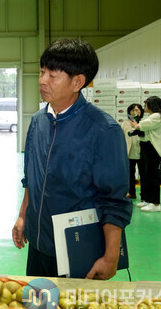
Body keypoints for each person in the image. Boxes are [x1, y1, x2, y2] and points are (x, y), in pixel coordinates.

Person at [12, 38, 132, 280]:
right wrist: (23, 216)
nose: (41, 80)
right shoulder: (38, 122)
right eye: (42, 72)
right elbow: (32, 179)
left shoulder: (103, 130)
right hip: (38, 245)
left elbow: (114, 201)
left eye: (52, 75)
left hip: (78, 250)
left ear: (78, 82)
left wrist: (110, 257)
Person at [130, 96, 161, 213]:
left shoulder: (157, 116)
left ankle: (156, 203)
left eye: (146, 105)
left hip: (152, 149)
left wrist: (136, 125)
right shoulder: (155, 116)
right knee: (146, 175)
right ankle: (148, 200)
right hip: (147, 148)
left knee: (152, 176)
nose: (144, 107)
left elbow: (143, 125)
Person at [121, 103, 144, 199]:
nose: (135, 112)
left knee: (143, 175)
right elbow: (121, 138)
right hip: (129, 152)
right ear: (129, 112)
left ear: (141, 112)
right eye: (133, 110)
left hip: (141, 152)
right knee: (130, 174)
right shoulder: (125, 124)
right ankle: (131, 193)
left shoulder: (144, 123)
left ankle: (145, 195)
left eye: (137, 110)